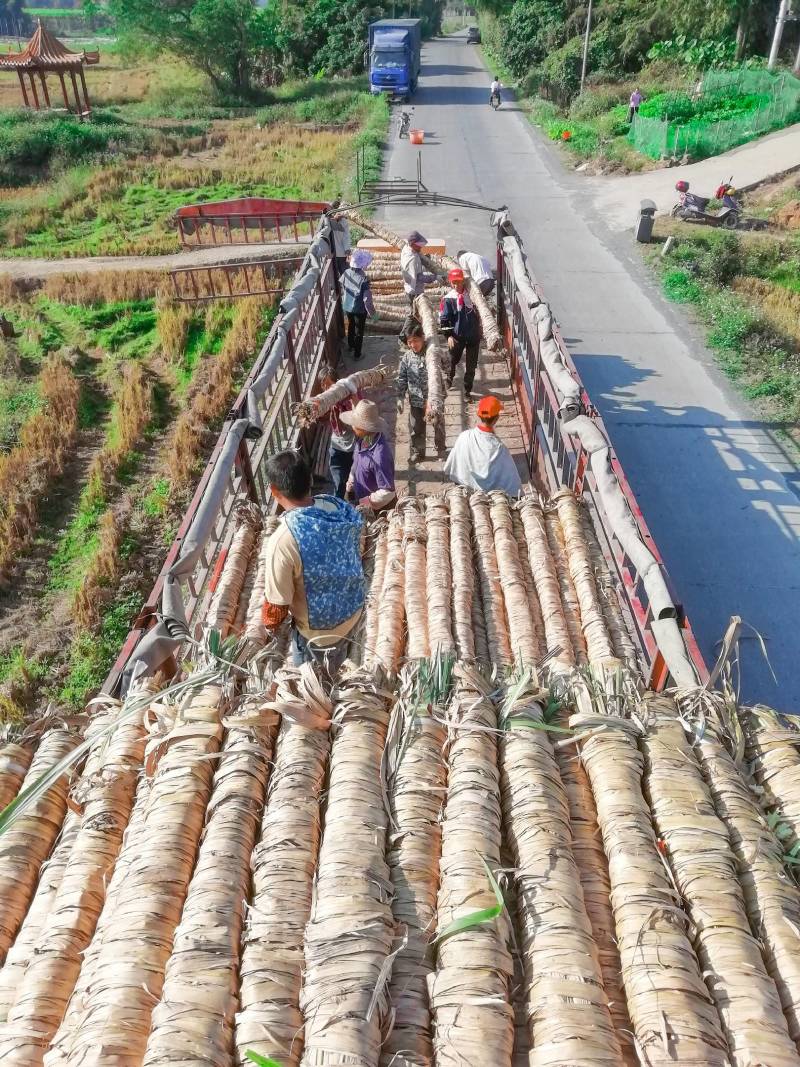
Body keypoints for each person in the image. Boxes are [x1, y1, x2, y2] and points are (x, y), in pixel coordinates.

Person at [261, 449, 365, 671]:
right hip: (353, 612)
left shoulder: (285, 539)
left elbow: (276, 608)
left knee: (312, 685)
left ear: (273, 490)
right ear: (310, 480)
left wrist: (266, 628)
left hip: (320, 635)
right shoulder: (335, 505)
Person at [444, 395, 522, 495]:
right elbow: (512, 484)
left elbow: (450, 467)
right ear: (497, 418)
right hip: (487, 498)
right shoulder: (499, 448)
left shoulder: (464, 436)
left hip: (464, 490)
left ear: (478, 415)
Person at [397, 323, 446, 464]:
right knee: (416, 427)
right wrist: (400, 397)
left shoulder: (431, 353)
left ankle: (441, 450)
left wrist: (447, 381)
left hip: (433, 399)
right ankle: (418, 452)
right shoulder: (406, 358)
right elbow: (402, 378)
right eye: (410, 342)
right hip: (416, 399)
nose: (413, 345)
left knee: (438, 425)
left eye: (416, 341)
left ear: (423, 338)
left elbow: (446, 362)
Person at [341, 399, 397, 511]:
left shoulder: (380, 455)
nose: (352, 426)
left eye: (355, 424)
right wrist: (350, 486)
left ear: (364, 428)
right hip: (361, 499)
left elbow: (387, 492)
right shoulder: (363, 440)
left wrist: (363, 502)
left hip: (378, 510)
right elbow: (356, 464)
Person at [440, 266, 481, 401]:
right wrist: (449, 336)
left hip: (473, 336)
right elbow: (444, 320)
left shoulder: (473, 295)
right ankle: (449, 378)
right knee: (452, 360)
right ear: (450, 283)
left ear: (463, 281)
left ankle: (467, 391)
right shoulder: (449, 299)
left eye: (459, 281)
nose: (456, 285)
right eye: (454, 282)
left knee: (471, 366)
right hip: (457, 336)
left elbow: (481, 310)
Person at [320, 368, 362, 499]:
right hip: (336, 446)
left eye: (328, 385)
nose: (326, 389)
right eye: (323, 386)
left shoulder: (349, 398)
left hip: (352, 447)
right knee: (338, 483)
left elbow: (359, 420)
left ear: (336, 384)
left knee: (354, 482)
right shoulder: (326, 401)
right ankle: (338, 505)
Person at [340, 248, 375, 362]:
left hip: (347, 307)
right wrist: (374, 316)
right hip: (359, 310)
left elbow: (343, 288)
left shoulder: (346, 273)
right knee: (359, 331)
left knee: (351, 325)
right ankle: (357, 354)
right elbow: (367, 301)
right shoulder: (364, 280)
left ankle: (350, 345)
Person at [400, 230, 438, 306]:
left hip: (408, 286)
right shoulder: (412, 259)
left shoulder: (406, 248)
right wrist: (435, 277)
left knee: (413, 311)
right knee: (414, 311)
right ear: (413, 244)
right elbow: (420, 278)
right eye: (419, 245)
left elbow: (417, 253)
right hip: (414, 291)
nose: (421, 247)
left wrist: (425, 257)